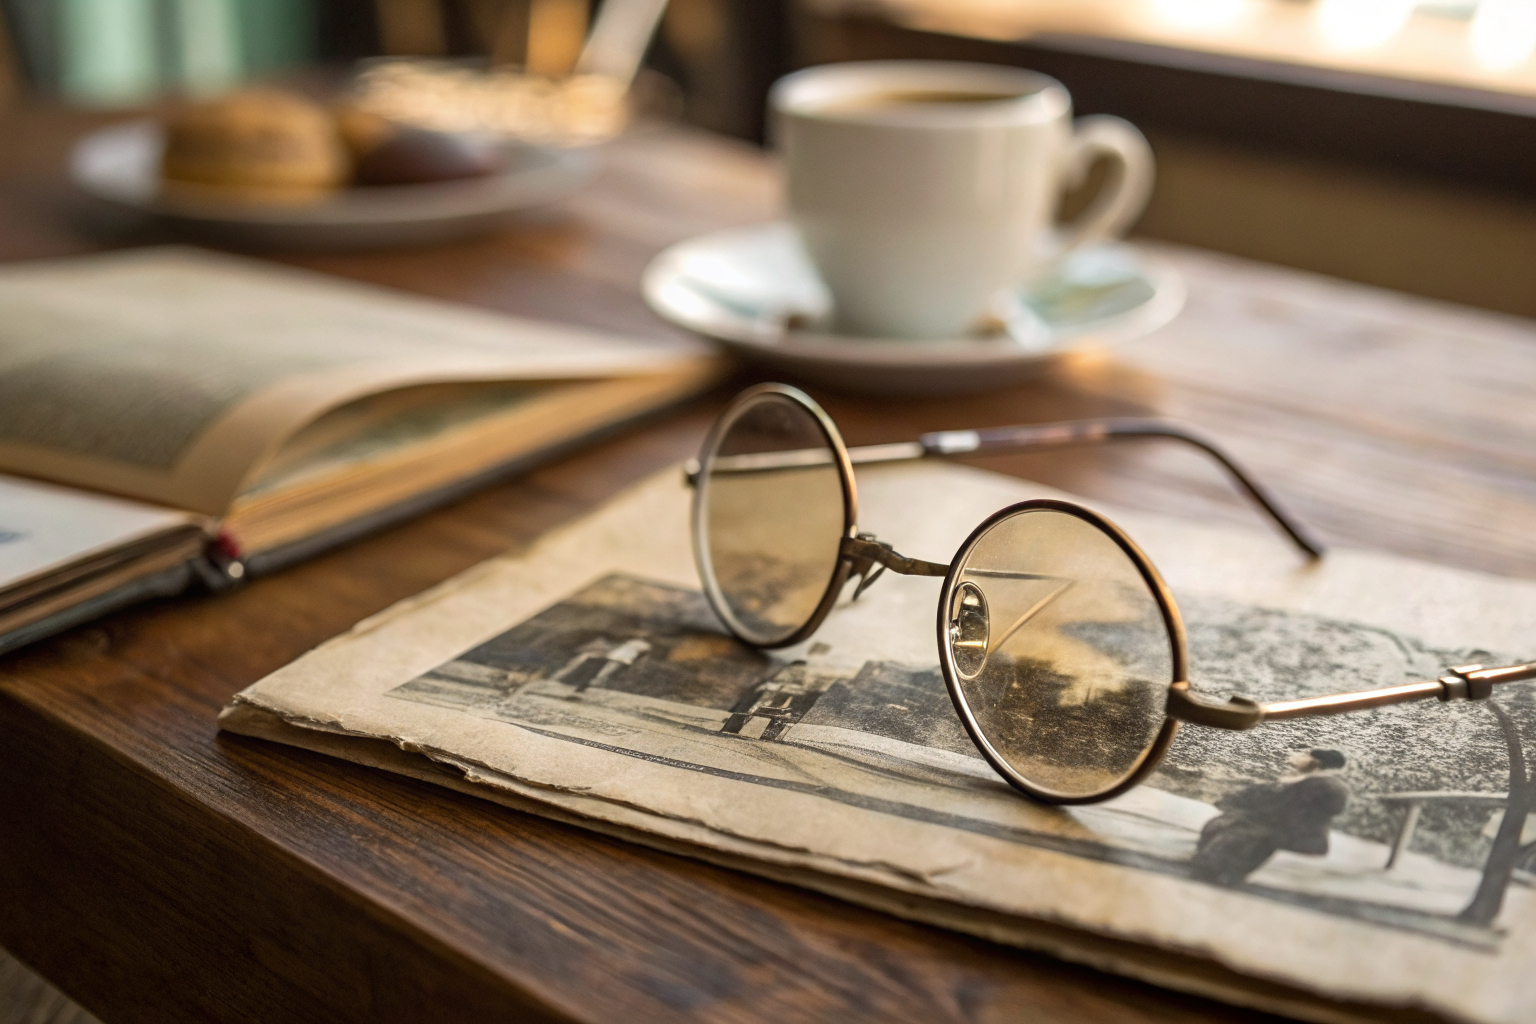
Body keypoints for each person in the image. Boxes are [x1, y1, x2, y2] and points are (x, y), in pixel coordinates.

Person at [1189, 748, 1350, 886]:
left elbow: (1278, 804)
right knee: (1235, 826)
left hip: (1290, 831)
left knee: (1229, 826)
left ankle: (1213, 866)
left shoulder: (1314, 785)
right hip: (1292, 830)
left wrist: (1236, 802)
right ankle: (1222, 868)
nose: (1299, 758)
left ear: (1315, 762)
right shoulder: (1320, 784)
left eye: (1306, 756)